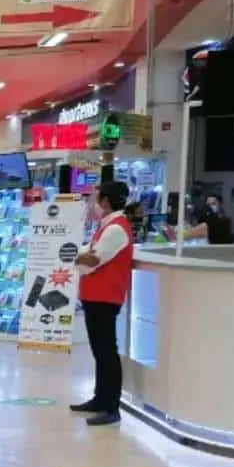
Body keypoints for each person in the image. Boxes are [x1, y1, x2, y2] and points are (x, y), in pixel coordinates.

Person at [71, 181, 134, 427]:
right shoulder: (106, 226)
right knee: (99, 350)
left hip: (105, 297)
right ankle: (100, 399)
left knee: (107, 351)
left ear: (106, 200)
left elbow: (90, 261)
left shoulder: (117, 229)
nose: (95, 202)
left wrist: (80, 259)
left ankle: (111, 406)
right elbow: (87, 254)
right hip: (95, 296)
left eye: (98, 197)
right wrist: (83, 257)